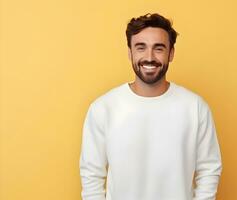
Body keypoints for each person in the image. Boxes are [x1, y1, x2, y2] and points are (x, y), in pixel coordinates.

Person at [79, 13, 222, 200]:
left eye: (159, 48)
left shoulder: (195, 107)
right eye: (141, 47)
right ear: (130, 52)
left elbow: (209, 169)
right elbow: (91, 176)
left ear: (171, 53)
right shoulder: (103, 108)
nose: (149, 57)